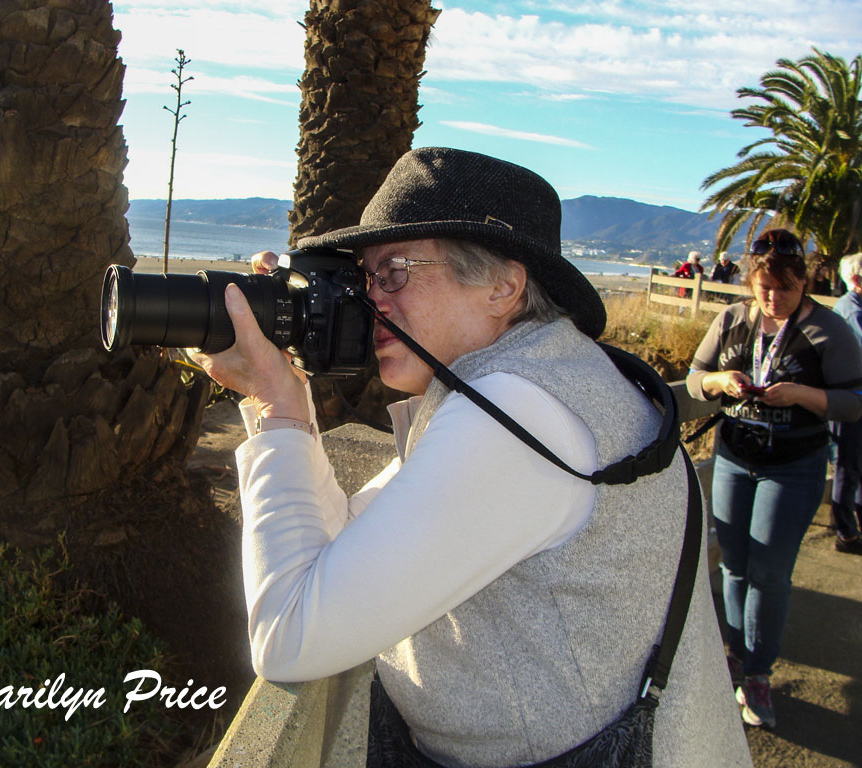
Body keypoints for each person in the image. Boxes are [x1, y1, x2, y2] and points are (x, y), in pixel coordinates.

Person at [192, 147, 750, 766]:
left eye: (395, 271)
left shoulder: (515, 412)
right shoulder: (543, 374)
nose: (369, 300)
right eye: (364, 277)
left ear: (503, 286)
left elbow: (288, 636)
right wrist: (289, 387)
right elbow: (351, 541)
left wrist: (279, 406)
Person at [687, 228, 862, 729]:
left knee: (769, 572)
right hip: (734, 461)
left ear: (803, 281)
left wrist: (801, 396)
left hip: (793, 467)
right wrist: (721, 381)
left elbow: (853, 403)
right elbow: (696, 377)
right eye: (763, 286)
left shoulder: (829, 331)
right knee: (735, 567)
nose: (772, 298)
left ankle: (758, 672)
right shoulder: (732, 320)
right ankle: (737, 657)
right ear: (751, 281)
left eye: (784, 288)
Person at [829, 253, 862, 554]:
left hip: (853, 400)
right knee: (847, 465)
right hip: (850, 401)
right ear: (856, 279)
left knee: (853, 464)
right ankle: (845, 530)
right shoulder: (851, 311)